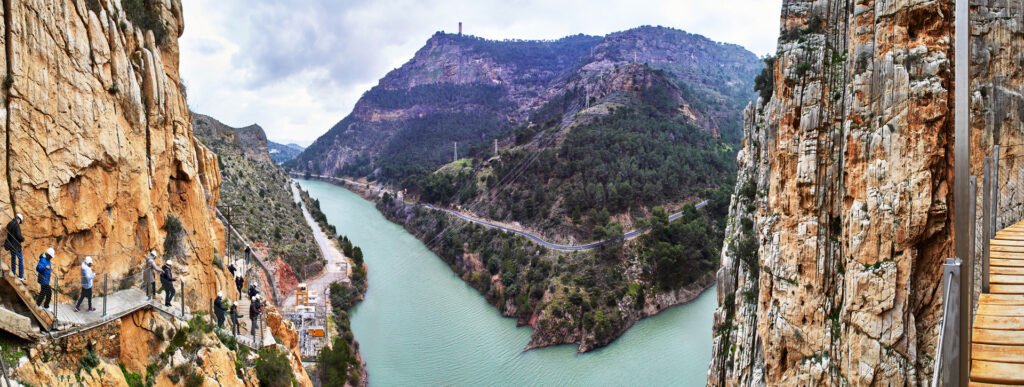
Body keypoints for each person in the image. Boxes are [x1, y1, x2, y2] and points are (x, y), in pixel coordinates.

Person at [4, 214, 25, 280]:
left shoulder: (9, 224)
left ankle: (13, 272)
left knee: (13, 259)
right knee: (20, 260)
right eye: (20, 221)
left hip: (11, 245)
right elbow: (18, 236)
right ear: (18, 219)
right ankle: (21, 276)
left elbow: (8, 231)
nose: (19, 222)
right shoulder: (16, 225)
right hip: (16, 246)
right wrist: (22, 239)